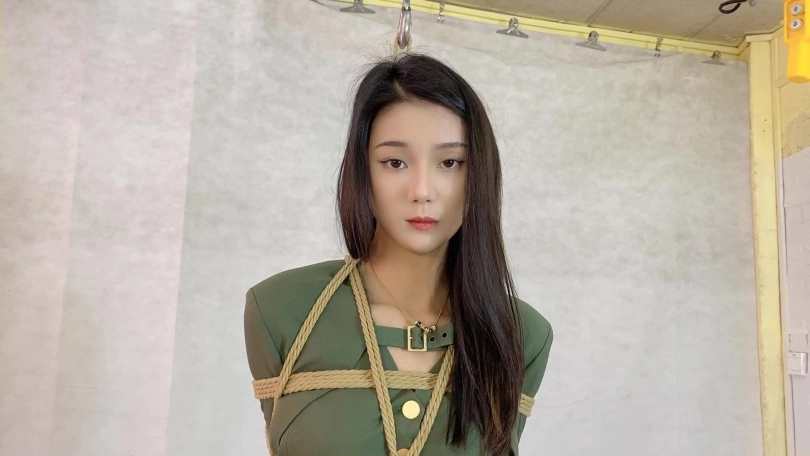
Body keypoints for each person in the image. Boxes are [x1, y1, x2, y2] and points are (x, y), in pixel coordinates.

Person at [244, 52, 553, 456]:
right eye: (395, 162)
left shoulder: (522, 335)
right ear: (362, 171)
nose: (422, 190)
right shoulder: (280, 310)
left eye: (450, 162)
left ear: (479, 173)